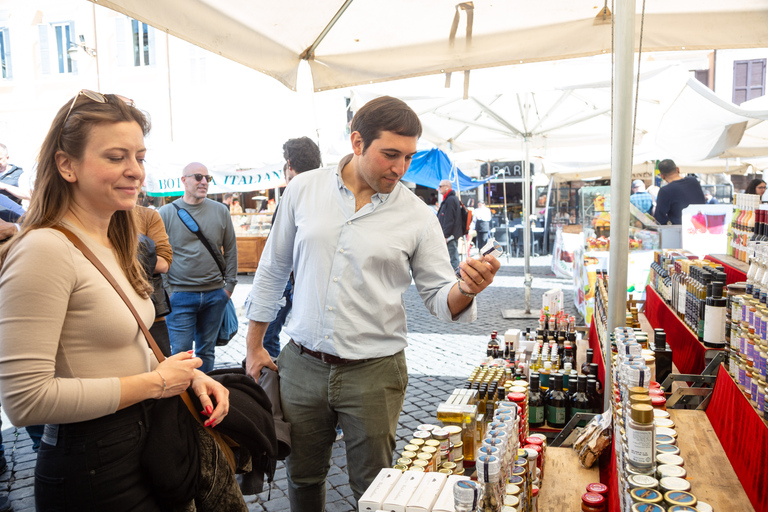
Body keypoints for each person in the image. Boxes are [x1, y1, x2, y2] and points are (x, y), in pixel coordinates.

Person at [243, 96, 500, 511]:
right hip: (301, 367)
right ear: (358, 142)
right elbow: (273, 269)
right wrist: (254, 345)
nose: (400, 168)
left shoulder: (417, 215)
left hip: (375, 373)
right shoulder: (304, 189)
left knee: (374, 488)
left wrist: (467, 288)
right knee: (303, 477)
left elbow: (438, 299)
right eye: (390, 154)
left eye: (408, 157)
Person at [0, 90, 229, 510]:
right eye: (115, 157)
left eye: (139, 157)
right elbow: (24, 400)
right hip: (93, 464)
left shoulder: (111, 238)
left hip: (143, 442)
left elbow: (121, 346)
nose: (135, 171)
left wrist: (185, 376)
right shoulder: (44, 249)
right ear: (66, 165)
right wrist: (157, 384)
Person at [159, 163, 238, 373]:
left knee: (207, 352)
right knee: (181, 354)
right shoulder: (166, 213)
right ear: (184, 180)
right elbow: (158, 254)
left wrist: (229, 287)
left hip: (215, 295)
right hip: (180, 296)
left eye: (207, 178)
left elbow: (230, 249)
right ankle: (184, 401)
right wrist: (169, 291)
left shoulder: (221, 211)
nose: (203, 182)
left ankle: (205, 399)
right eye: (198, 177)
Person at [261, 136, 322, 358]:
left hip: (290, 278)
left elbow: (276, 255)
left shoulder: (294, 193)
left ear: (289, 163)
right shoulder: (327, 191)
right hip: (311, 279)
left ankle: (270, 381)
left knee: (268, 335)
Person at [136, 205, 174, 357]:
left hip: (150, 310)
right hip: (105, 312)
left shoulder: (146, 215)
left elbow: (163, 263)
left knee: (162, 367)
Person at [653, 159, 705, 225]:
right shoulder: (694, 181)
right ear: (678, 169)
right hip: (701, 224)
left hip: (680, 230)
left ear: (662, 176)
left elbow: (659, 218)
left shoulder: (665, 191)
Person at [437, 179, 464, 270]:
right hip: (449, 235)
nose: (439, 188)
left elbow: (449, 219)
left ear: (447, 187)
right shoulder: (450, 199)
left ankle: (455, 277)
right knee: (451, 256)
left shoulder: (451, 199)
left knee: (453, 257)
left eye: (441, 186)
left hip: (450, 236)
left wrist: (446, 235)